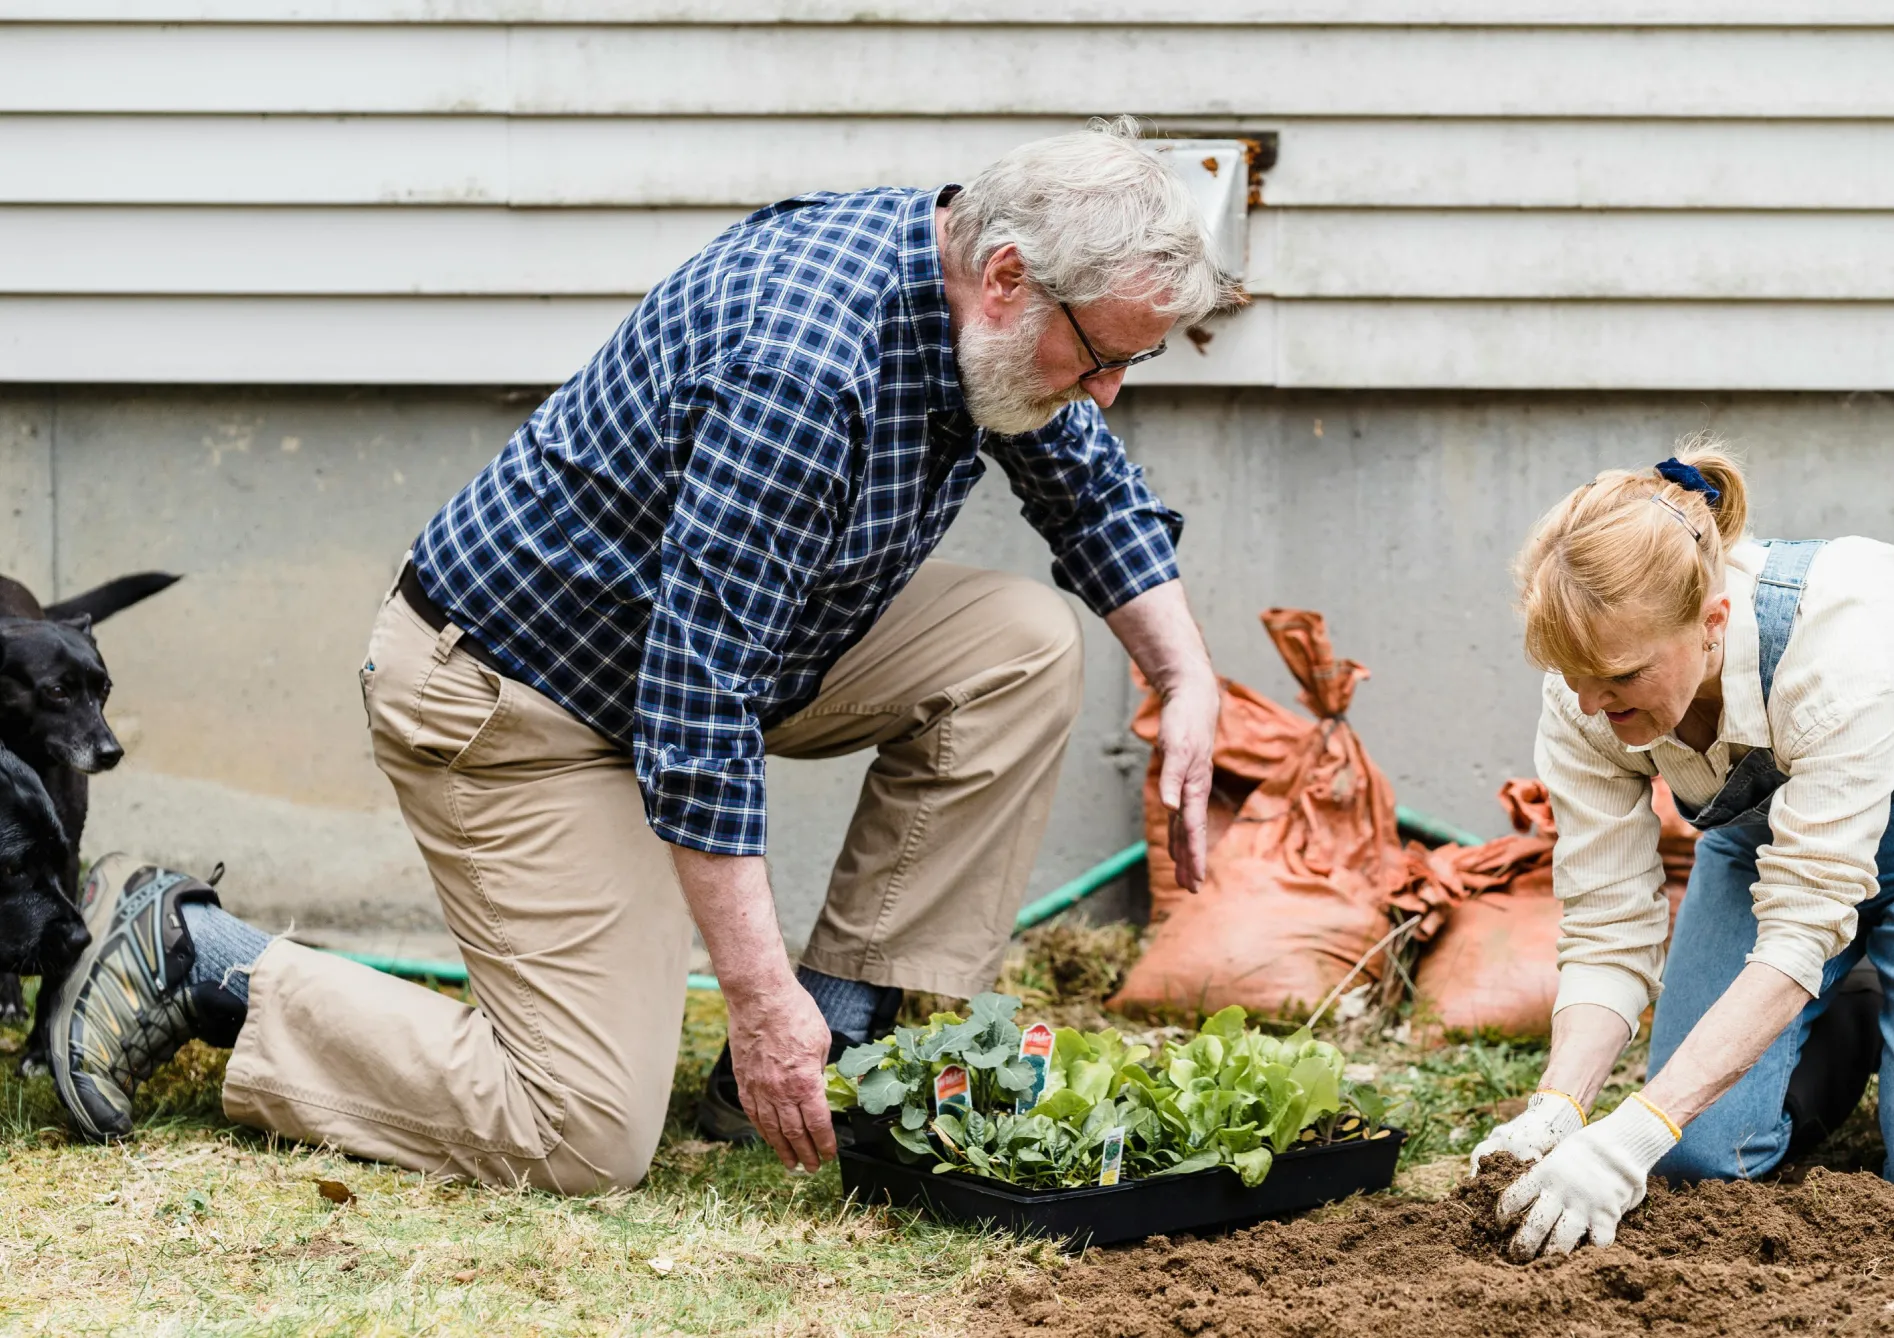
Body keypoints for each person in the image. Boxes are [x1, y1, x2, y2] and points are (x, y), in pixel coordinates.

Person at [43, 118, 1232, 1191]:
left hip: (708, 651)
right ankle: (207, 959)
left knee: (1017, 646)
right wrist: (755, 1002)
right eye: (1100, 357)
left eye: (1135, 362)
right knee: (583, 1133)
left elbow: (1081, 480)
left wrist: (1183, 677)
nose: (1108, 393)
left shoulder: (973, 281)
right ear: (1007, 279)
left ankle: (845, 1032)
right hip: (516, 706)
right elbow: (696, 706)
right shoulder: (804, 367)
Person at [1472, 441, 1894, 1259]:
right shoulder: (1585, 687)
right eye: (1575, 677)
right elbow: (1608, 925)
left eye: (1621, 678)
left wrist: (1630, 1133)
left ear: (1713, 624)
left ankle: (1848, 968)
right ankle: (1843, 1011)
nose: (1591, 707)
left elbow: (1803, 926)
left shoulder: (1841, 646)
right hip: (1769, 853)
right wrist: (1561, 1106)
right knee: (1697, 1158)